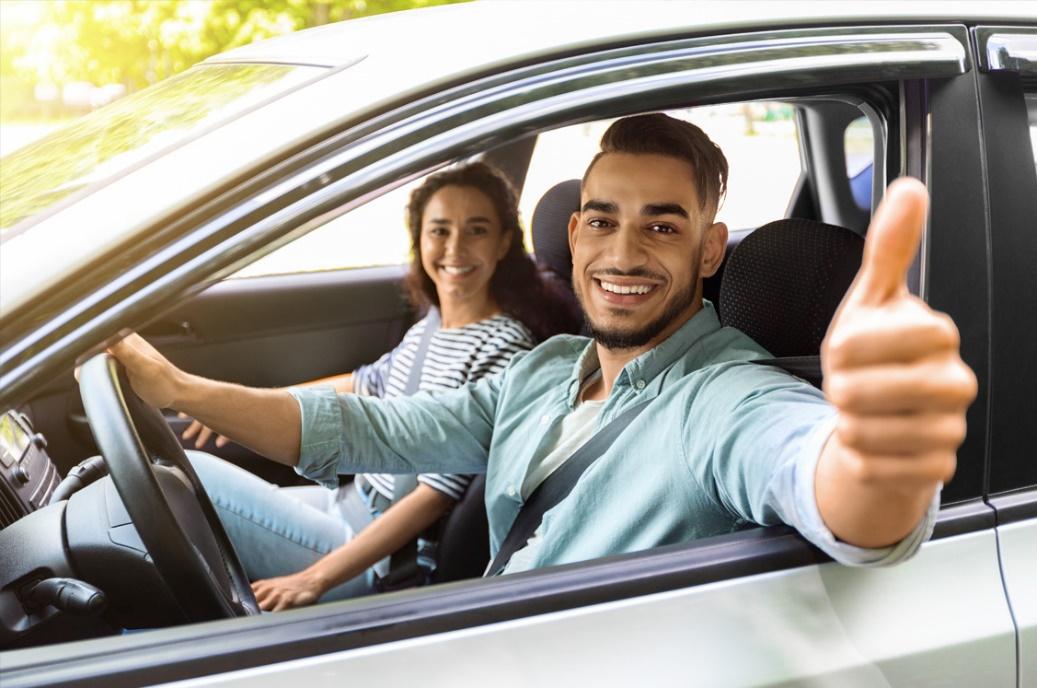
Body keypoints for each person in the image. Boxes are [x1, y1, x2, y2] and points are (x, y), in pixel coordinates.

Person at [109, 113, 976, 581]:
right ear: (574, 234)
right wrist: (178, 386)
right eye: (603, 220)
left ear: (710, 252)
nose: (624, 254)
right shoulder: (545, 371)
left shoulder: (726, 397)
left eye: (662, 227)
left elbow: (818, 474)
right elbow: (369, 428)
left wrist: (882, 459)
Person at [175, 162, 578, 610]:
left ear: (504, 241)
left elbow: (434, 496)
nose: (455, 248)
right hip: (347, 504)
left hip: (384, 557)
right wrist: (245, 408)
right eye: (439, 230)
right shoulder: (435, 323)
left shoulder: (504, 350)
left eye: (476, 230)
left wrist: (312, 580)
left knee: (191, 481)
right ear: (420, 239)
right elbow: (368, 382)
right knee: (182, 480)